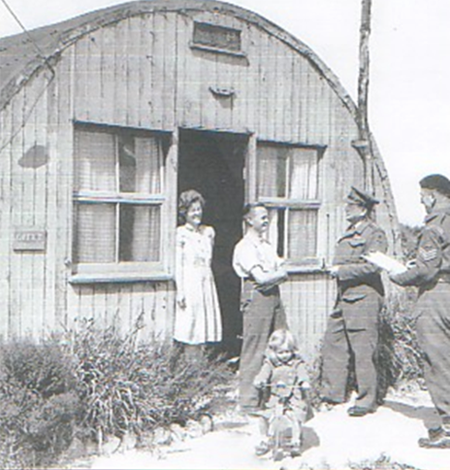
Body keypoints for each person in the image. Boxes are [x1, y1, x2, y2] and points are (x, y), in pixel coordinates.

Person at [389, 174, 450, 448]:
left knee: (437, 361)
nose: (422, 202)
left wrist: (399, 275)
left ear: (434, 195)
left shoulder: (434, 226)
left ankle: (447, 429)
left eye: (423, 196)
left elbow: (426, 270)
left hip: (437, 295)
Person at [321, 186, 388, 417]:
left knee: (363, 350)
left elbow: (374, 266)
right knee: (334, 343)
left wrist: (341, 270)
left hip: (364, 298)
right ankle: (333, 393)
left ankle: (366, 400)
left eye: (350, 205)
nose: (346, 209)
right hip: (345, 297)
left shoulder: (374, 234)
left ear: (362, 209)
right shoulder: (350, 231)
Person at [232, 202, 288, 412]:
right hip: (256, 297)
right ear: (249, 220)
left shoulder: (266, 246)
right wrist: (279, 275)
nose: (266, 220)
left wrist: (276, 276)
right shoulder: (244, 247)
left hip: (273, 297)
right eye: (262, 217)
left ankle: (273, 398)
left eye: (267, 217)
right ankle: (248, 402)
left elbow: (280, 271)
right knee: (255, 349)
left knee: (280, 344)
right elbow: (262, 278)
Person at [174, 189, 222, 358]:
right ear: (184, 212)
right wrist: (181, 291)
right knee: (191, 323)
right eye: (193, 210)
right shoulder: (180, 233)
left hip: (206, 281)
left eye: (199, 209)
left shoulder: (208, 232)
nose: (197, 213)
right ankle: (189, 366)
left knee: (205, 322)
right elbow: (178, 265)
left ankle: (203, 364)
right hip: (190, 282)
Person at [253, 329, 312, 457]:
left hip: (293, 395)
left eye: (288, 352)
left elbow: (302, 374)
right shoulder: (270, 363)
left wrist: (304, 382)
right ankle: (265, 439)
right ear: (273, 351)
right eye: (281, 352)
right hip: (274, 395)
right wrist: (260, 380)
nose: (285, 355)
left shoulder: (297, 363)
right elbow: (263, 374)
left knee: (296, 415)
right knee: (264, 416)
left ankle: (295, 440)